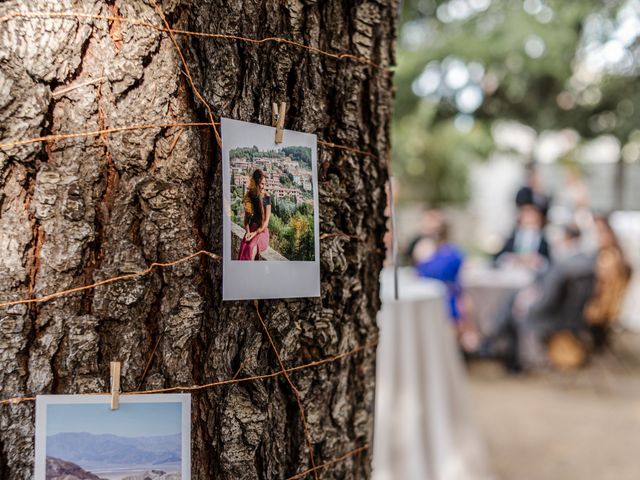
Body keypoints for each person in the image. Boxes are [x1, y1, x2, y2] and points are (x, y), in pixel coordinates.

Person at [486, 224, 595, 371]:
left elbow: (546, 301)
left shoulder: (564, 266)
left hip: (556, 316)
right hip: (562, 311)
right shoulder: (582, 263)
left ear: (567, 238)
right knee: (513, 300)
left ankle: (501, 349)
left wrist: (528, 306)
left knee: (513, 310)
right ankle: (493, 340)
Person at [584, 214, 632, 348]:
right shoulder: (614, 255)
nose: (597, 236)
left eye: (600, 232)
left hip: (599, 306)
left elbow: (600, 288)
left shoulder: (608, 258)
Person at [494, 203, 551, 271]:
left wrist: (537, 260)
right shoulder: (513, 237)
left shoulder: (543, 239)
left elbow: (548, 263)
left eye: (531, 215)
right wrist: (512, 258)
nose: (528, 218)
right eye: (526, 215)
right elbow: (499, 257)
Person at [238, 169, 271, 260]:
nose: (263, 187)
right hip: (251, 229)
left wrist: (255, 233)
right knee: (244, 245)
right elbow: (246, 220)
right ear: (256, 184)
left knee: (251, 247)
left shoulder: (266, 197)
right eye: (261, 184)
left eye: (264, 184)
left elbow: (266, 222)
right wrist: (248, 232)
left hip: (262, 231)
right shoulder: (249, 197)